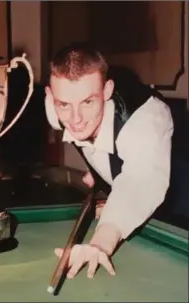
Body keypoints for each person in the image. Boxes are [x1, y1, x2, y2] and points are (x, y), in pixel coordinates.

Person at [44, 42, 174, 280]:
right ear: (51, 96)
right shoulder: (55, 110)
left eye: (87, 102)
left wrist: (101, 242)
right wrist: (99, 171)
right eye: (63, 104)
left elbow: (140, 180)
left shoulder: (146, 119)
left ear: (107, 91)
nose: (76, 119)